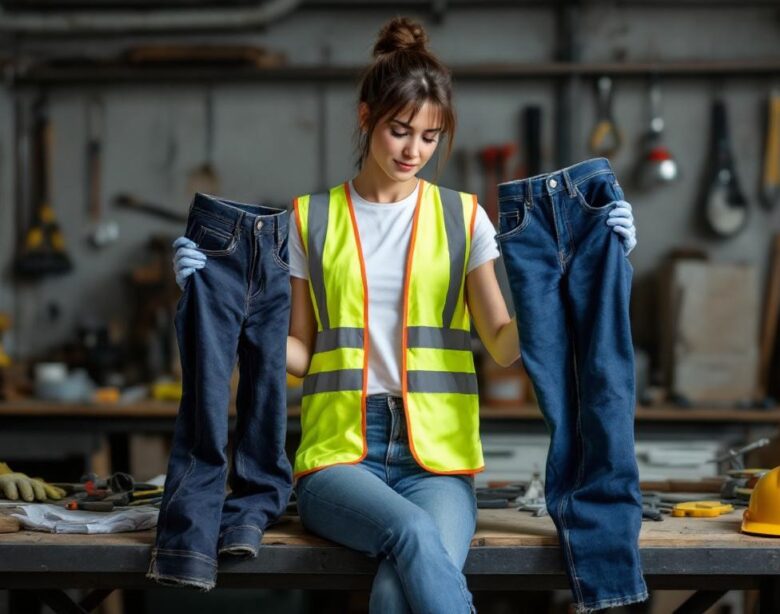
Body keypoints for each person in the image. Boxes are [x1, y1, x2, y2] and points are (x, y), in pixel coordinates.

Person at [171, 17, 637, 614]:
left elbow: (501, 343)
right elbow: (300, 354)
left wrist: (594, 265)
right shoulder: (309, 218)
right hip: (340, 459)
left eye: (429, 136)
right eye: (399, 131)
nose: (414, 150)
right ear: (366, 118)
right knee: (412, 536)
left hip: (438, 464)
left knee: (395, 589)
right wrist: (218, 293)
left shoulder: (466, 218)